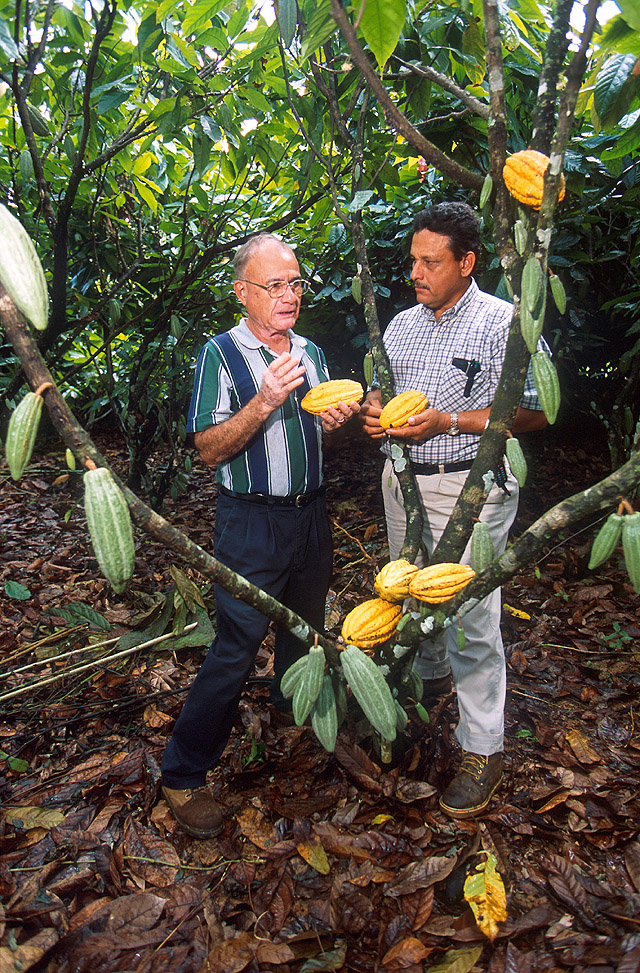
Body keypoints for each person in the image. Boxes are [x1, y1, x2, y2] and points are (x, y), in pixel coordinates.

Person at [161, 233, 359, 838]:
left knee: (305, 627)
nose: (290, 295)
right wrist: (265, 401)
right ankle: (182, 773)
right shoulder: (220, 355)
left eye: (296, 282)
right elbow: (206, 448)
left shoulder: (312, 351)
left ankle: (289, 713)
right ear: (243, 292)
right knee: (236, 645)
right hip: (250, 520)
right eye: (275, 285)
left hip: (310, 515)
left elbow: (320, 439)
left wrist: (336, 423)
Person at [359, 202, 547, 819]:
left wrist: (448, 421)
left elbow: (536, 410)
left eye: (430, 262)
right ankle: (432, 686)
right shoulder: (403, 327)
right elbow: (386, 399)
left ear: (467, 262)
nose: (416, 272)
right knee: (409, 592)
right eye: (413, 260)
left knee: (468, 615)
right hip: (404, 483)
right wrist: (371, 417)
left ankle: (483, 746)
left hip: (471, 484)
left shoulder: (504, 322)